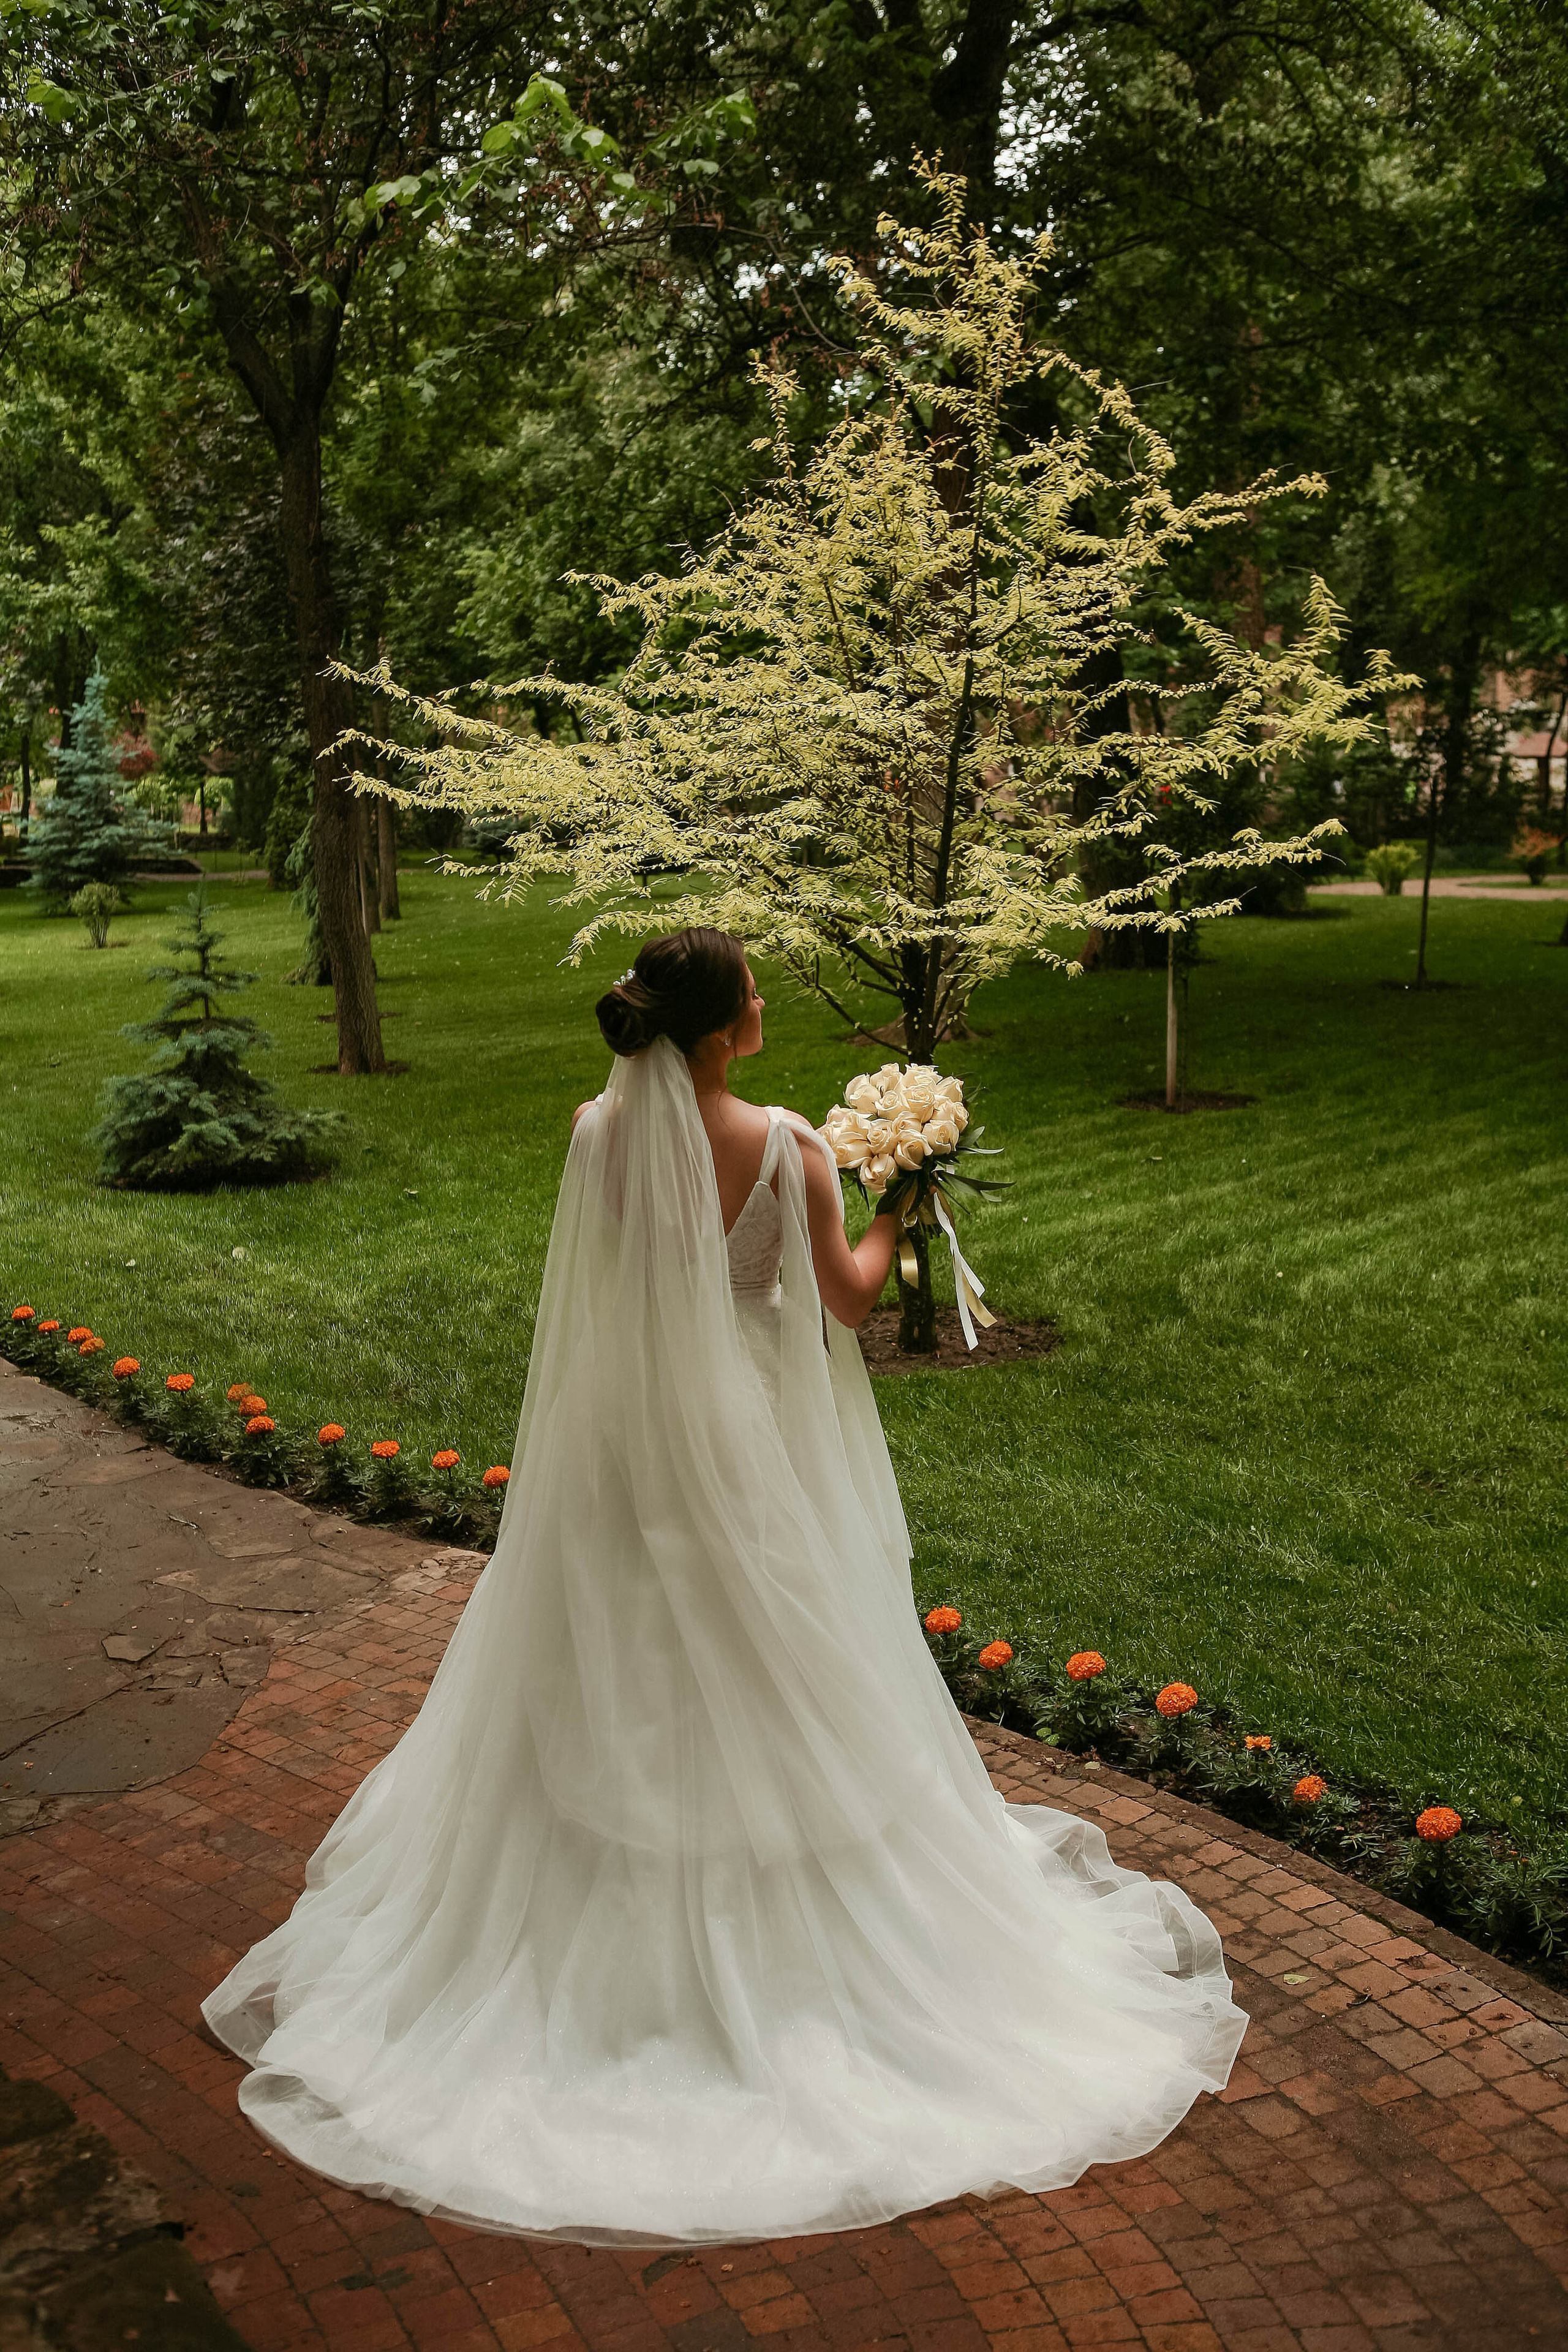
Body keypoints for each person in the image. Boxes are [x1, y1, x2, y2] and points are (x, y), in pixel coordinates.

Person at [202, 924, 1245, 2251]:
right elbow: (850, 1307)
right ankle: (792, 1958)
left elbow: (604, 1294)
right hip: (748, 1454)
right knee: (775, 1662)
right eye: (747, 989)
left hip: (622, 1451)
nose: (761, 998)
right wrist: (898, 1201)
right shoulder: (791, 1149)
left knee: (617, 1660)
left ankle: (604, 1937)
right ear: (716, 1030)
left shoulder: (596, 1133)